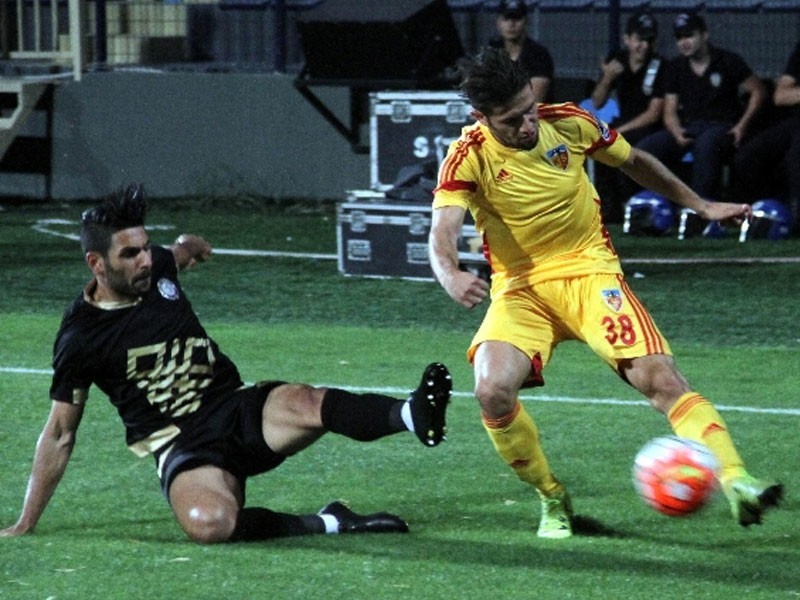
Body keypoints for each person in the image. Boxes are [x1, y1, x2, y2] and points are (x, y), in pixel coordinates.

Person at [428, 47, 782, 539]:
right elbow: (442, 229)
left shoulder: (569, 123)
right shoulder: (468, 156)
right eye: (512, 120)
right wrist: (450, 274)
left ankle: (738, 481)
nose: (528, 125)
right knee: (491, 391)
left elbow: (634, 161)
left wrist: (701, 206)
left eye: (530, 109)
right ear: (480, 117)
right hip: (521, 289)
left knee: (661, 380)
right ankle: (553, 497)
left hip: (591, 274)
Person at [0, 185, 453, 544]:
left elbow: (176, 254)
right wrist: (26, 521)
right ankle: (331, 522)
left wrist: (188, 245)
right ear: (96, 264)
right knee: (210, 524)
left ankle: (411, 413)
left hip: (234, 408)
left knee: (307, 401)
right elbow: (59, 432)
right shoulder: (80, 338)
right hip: (181, 447)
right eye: (130, 254)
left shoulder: (156, 267)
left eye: (145, 247)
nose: (145, 261)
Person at [637, 12, 766, 203]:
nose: (684, 42)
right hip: (690, 127)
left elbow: (758, 91)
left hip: (722, 127)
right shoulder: (675, 67)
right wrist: (676, 132)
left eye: (689, 35)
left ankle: (702, 208)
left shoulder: (728, 60)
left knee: (705, 146)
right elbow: (670, 111)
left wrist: (741, 126)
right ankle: (653, 204)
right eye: (679, 38)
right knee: (645, 150)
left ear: (704, 35)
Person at [590, 12, 667, 222]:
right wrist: (607, 77)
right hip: (624, 123)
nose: (644, 45)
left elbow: (654, 114)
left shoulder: (660, 65)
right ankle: (610, 209)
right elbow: (597, 101)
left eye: (649, 40)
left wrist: (619, 132)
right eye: (639, 39)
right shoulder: (618, 61)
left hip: (652, 128)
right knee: (598, 144)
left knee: (625, 146)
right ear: (627, 39)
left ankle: (635, 205)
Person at [732, 40, 800, 235]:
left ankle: (796, 221)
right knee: (747, 155)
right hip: (795, 121)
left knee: (796, 156)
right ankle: (751, 216)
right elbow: (781, 96)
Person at [488, 0, 554, 103]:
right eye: (506, 18)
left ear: (526, 21)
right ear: (498, 22)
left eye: (517, 18)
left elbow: (534, 100)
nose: (511, 24)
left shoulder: (539, 55)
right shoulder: (492, 51)